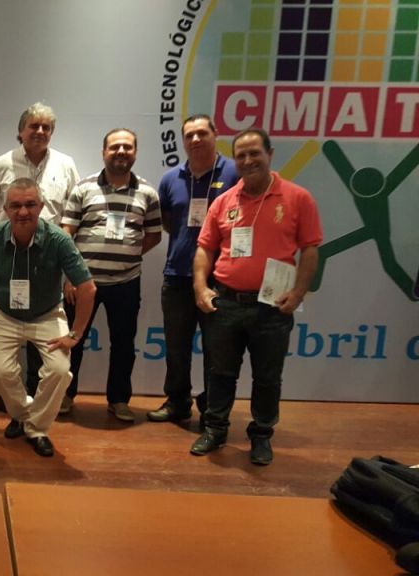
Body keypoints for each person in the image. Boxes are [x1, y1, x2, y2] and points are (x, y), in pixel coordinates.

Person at [189, 128, 322, 466]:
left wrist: (298, 292)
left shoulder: (298, 198)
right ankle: (215, 429)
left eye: (254, 154)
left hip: (272, 307)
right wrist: (201, 287)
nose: (248, 161)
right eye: (241, 155)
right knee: (220, 372)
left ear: (270, 154)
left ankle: (261, 435)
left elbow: (310, 250)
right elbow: (205, 249)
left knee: (267, 377)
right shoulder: (224, 201)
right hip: (226, 303)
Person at [0, 179, 96, 457]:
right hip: (5, 314)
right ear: (5, 209)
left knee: (60, 370)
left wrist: (74, 334)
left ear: (41, 206)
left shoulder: (58, 240)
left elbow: (87, 288)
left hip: (46, 315)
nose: (23, 212)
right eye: (15, 205)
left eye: (30, 204)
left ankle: (36, 428)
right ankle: (23, 415)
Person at [0, 102, 81, 398]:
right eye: (33, 126)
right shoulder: (1, 164)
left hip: (50, 259)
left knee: (44, 330)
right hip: (10, 257)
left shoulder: (66, 165)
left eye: (46, 127)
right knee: (8, 331)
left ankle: (36, 400)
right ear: (20, 131)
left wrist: (66, 264)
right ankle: (16, 401)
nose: (40, 131)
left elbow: (74, 214)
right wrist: (12, 231)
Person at [60, 128, 162, 421]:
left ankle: (118, 400)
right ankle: (65, 394)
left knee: (123, 344)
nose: (121, 152)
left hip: (126, 282)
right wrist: (71, 276)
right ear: (104, 152)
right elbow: (67, 233)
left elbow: (153, 235)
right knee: (73, 340)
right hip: (83, 282)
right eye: (115, 147)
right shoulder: (83, 188)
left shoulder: (147, 192)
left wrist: (127, 255)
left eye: (127, 147)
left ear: (135, 152)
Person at [147, 115, 239, 425]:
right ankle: (177, 402)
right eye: (189, 135)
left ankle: (212, 408)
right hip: (176, 276)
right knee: (176, 347)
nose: (196, 139)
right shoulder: (170, 179)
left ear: (216, 134)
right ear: (183, 141)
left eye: (202, 133)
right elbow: (168, 222)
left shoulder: (233, 172)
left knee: (217, 349)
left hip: (220, 279)